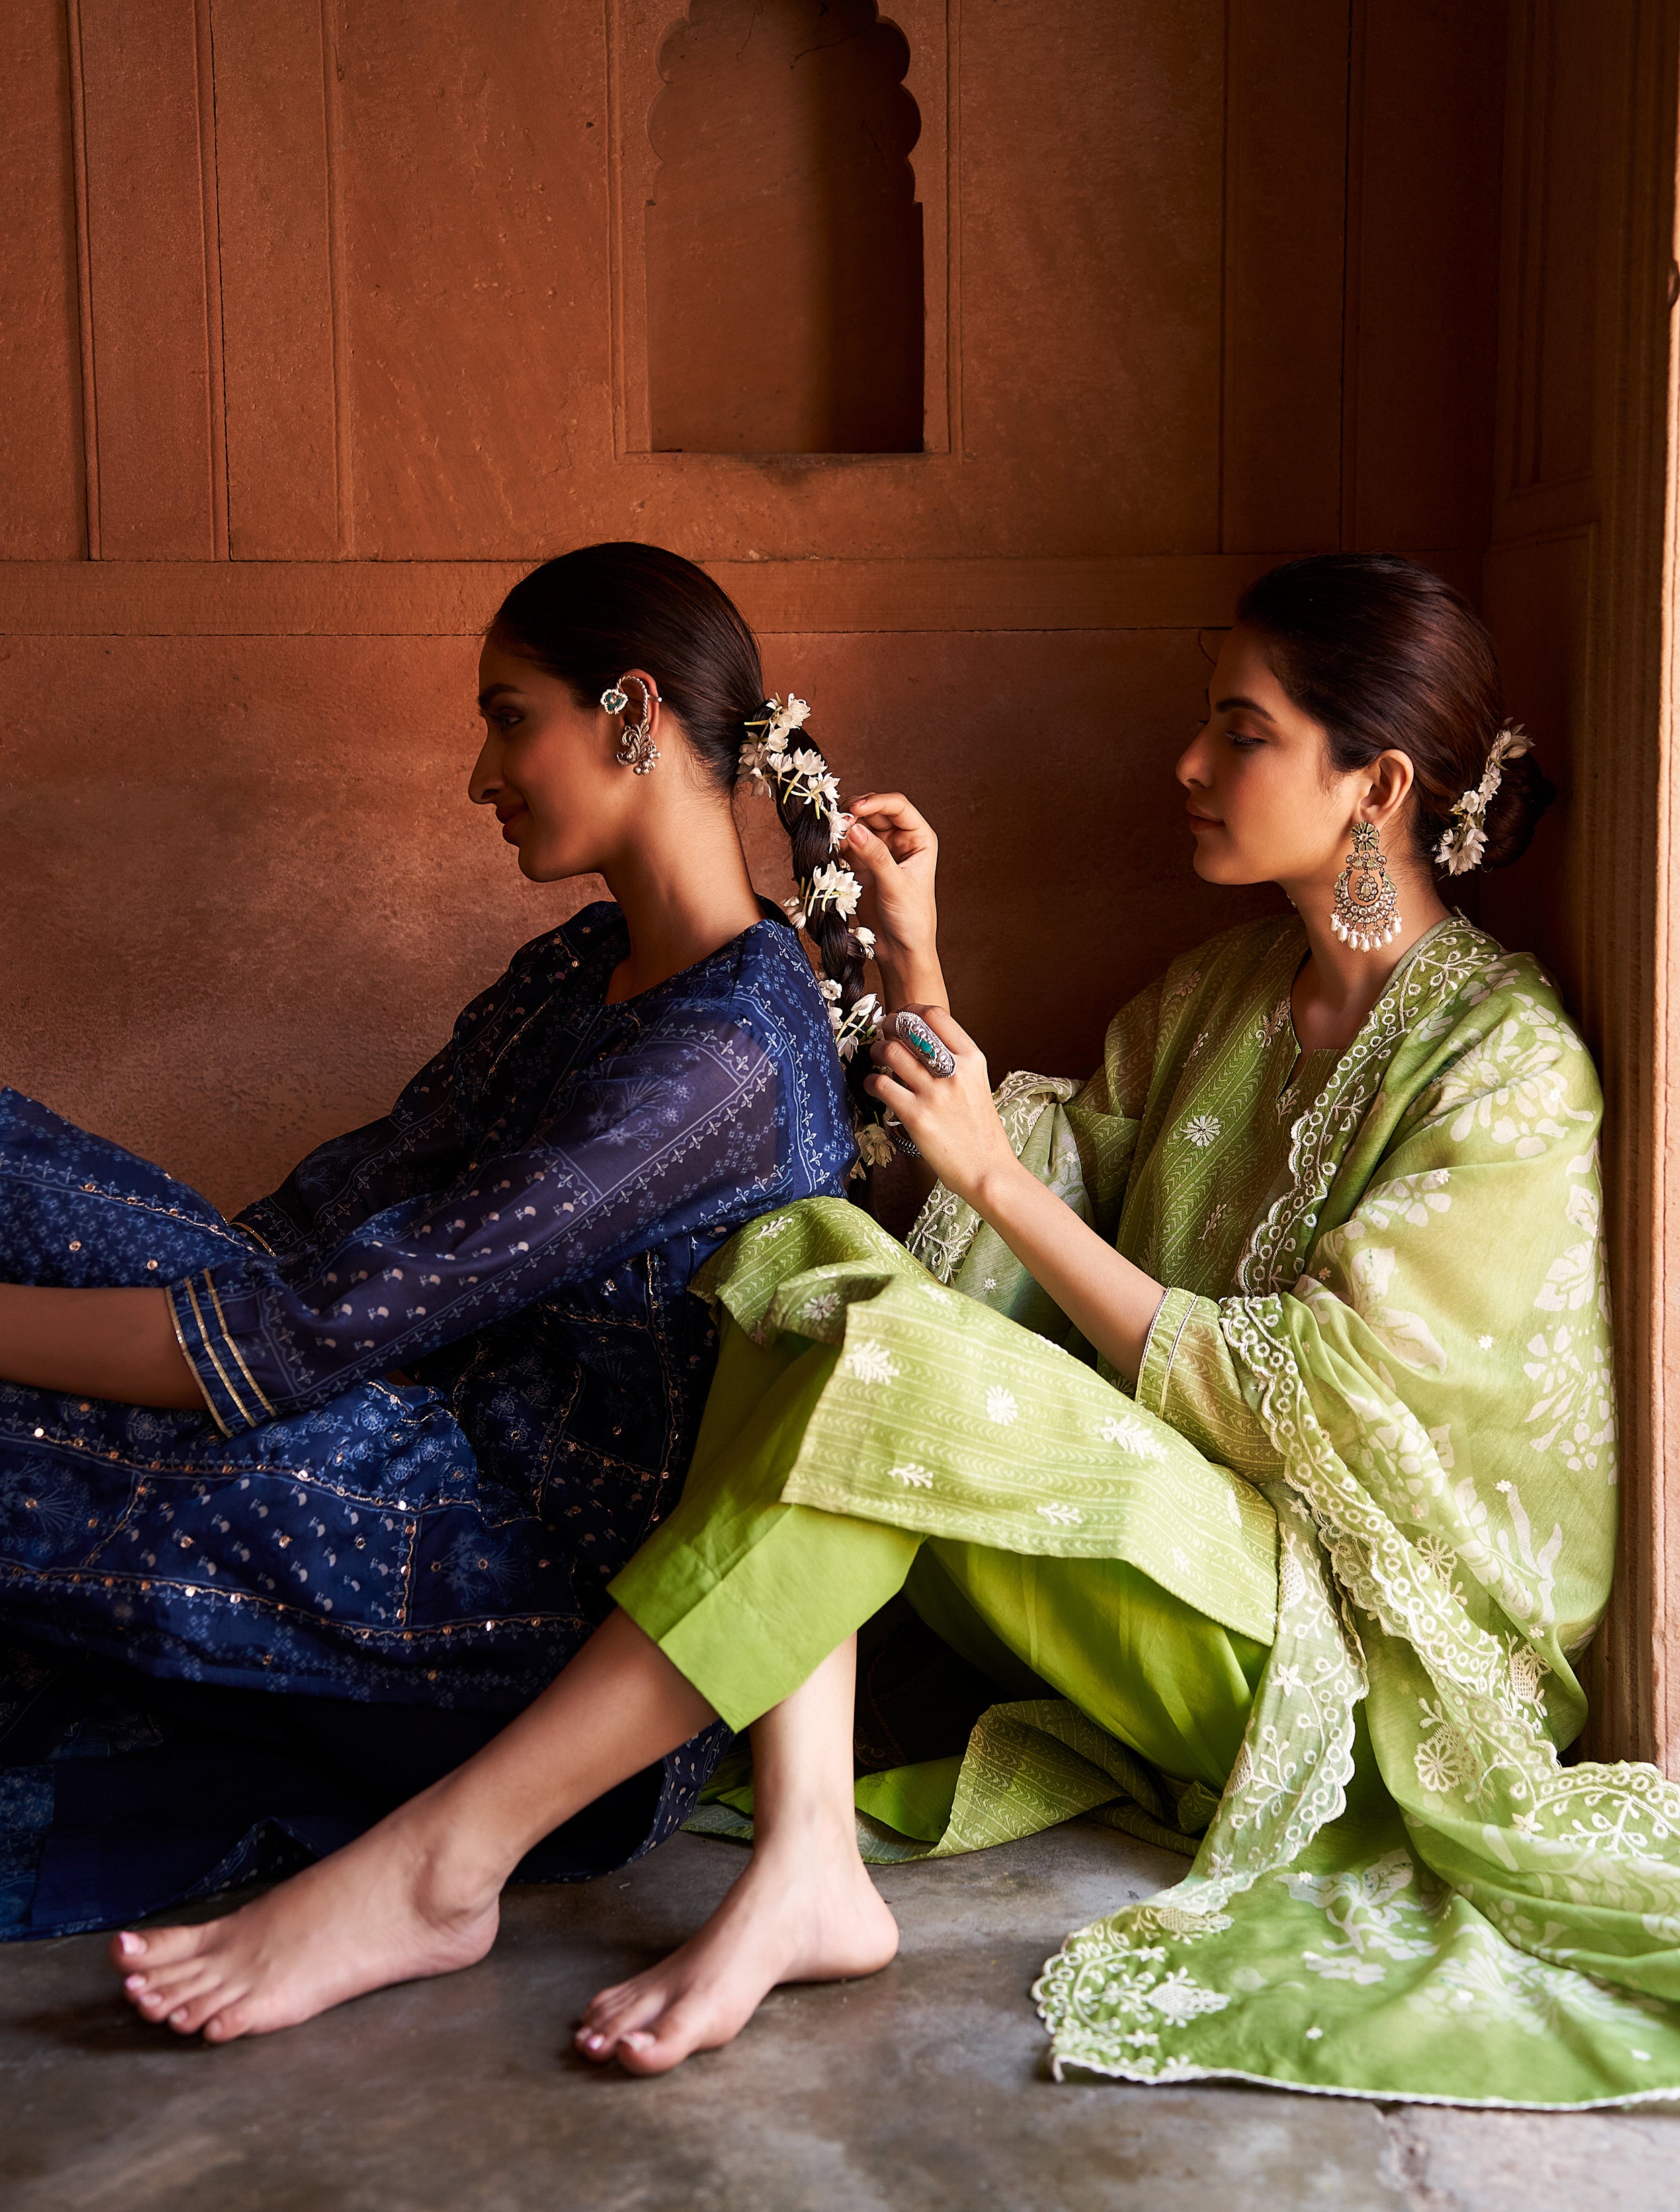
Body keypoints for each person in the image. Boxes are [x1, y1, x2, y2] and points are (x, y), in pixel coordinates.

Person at [109, 555, 1680, 2111]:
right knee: (809, 1252)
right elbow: (1040, 1202)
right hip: (1162, 1568)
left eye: (1241, 731)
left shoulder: (1504, 1062)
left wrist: (998, 1180)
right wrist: (919, 974)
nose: (1187, 765)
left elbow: (1324, 1399)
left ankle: (451, 1857)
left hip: (1337, 1658)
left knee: (898, 1351)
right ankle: (803, 1864)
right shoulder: (1218, 998)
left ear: (1374, 786)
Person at [0, 544, 867, 1939]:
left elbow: (291, 1339)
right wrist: (111, 1265)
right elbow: (314, 1235)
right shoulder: (579, 969)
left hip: (523, 1608)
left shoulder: (724, 1058)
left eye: (508, 715)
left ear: (630, 714)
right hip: (391, 1426)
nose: (479, 774)